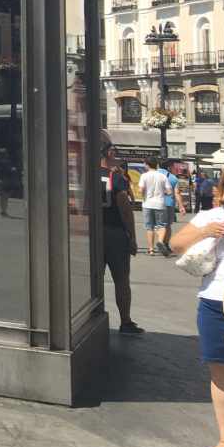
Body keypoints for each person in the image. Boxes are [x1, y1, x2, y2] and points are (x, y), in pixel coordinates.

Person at [169, 164, 224, 447]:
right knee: (221, 373)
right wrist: (209, 231)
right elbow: (175, 244)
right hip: (215, 302)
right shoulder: (213, 216)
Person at [99, 132, 143, 335]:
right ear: (108, 152)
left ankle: (94, 314)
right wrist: (132, 237)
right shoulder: (115, 177)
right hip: (114, 233)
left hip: (91, 234)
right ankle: (125, 321)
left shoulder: (84, 174)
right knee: (121, 280)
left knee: (93, 278)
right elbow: (125, 208)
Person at [138, 161, 171, 256]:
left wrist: (144, 193)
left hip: (147, 204)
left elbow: (141, 190)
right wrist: (162, 192)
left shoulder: (144, 176)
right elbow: (169, 192)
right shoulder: (163, 176)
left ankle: (151, 249)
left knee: (149, 227)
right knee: (162, 225)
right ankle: (160, 241)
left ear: (147, 164)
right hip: (160, 204)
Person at [163, 162, 187, 255]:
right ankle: (165, 244)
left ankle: (151, 248)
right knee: (167, 225)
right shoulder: (173, 178)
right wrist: (181, 206)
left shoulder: (152, 174)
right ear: (169, 167)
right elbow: (177, 193)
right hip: (168, 203)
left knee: (155, 226)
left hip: (152, 204)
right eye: (174, 167)